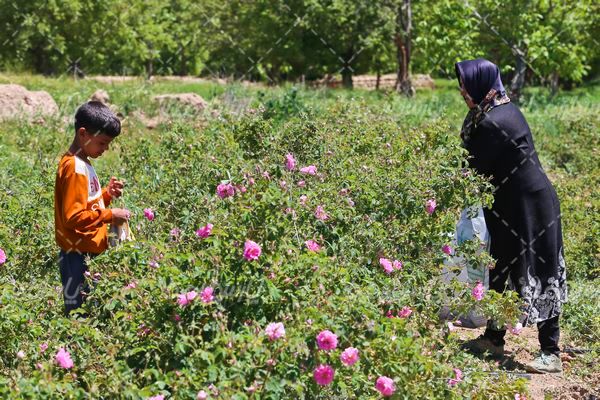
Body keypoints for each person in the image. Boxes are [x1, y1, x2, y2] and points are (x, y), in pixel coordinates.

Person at [456, 59, 567, 373]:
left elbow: (469, 166)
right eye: (460, 85)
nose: (462, 91)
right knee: (500, 268)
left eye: (465, 85)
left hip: (532, 207)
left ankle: (551, 353)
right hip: (507, 206)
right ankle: (494, 338)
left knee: (541, 272)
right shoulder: (492, 111)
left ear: (480, 84)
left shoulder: (495, 121)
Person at [54, 101, 130, 316]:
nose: (105, 149)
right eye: (102, 142)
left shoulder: (83, 163)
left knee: (91, 309)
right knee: (78, 313)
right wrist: (110, 215)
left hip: (87, 251)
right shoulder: (75, 168)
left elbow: (87, 205)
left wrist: (107, 194)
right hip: (76, 255)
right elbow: (73, 217)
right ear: (83, 134)